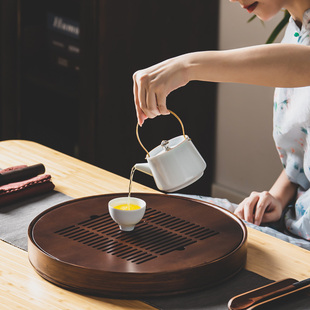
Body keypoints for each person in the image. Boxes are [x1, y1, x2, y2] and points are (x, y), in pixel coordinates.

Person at [132, 0, 310, 246]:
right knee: (158, 218)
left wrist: (186, 67)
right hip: (294, 222)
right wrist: (278, 198)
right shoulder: (296, 30)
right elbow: (301, 154)